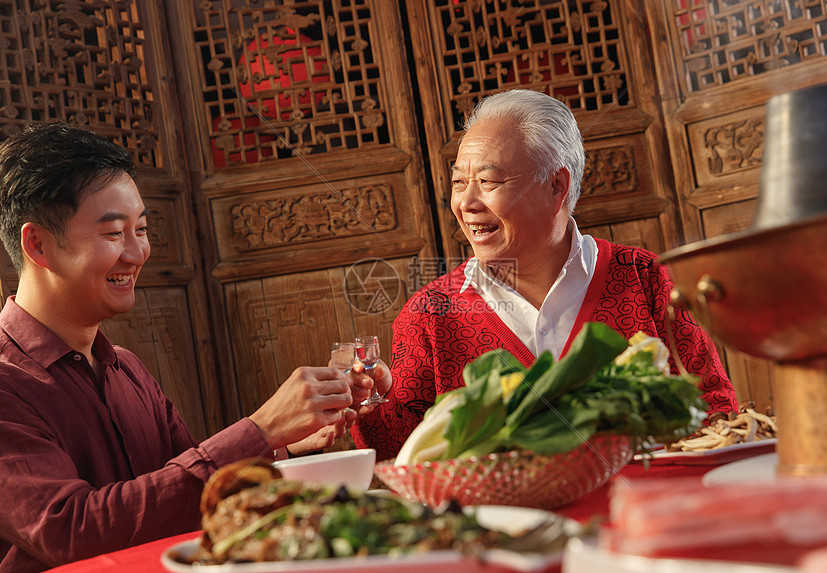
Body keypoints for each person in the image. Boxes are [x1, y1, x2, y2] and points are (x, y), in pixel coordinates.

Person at [0, 123, 387, 572]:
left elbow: (191, 489)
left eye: (141, 228)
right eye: (113, 234)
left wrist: (290, 440)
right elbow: (70, 532)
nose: (138, 251)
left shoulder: (125, 367)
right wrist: (260, 429)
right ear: (38, 244)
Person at [351, 89, 738, 461]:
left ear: (556, 185)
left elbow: (715, 414)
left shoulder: (646, 279)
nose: (466, 203)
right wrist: (371, 404)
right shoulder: (429, 315)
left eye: (488, 182)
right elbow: (404, 460)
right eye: (458, 182)